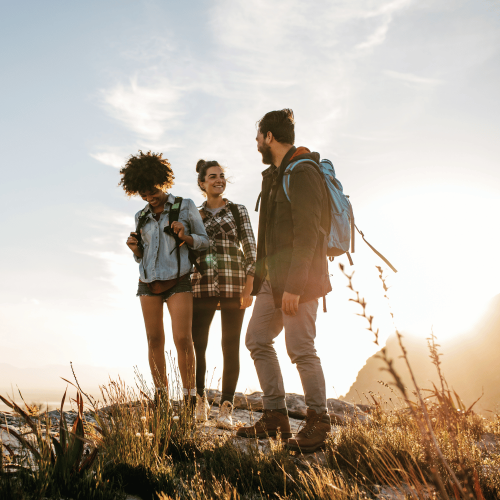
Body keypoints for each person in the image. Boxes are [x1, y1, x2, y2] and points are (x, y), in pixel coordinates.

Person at [236, 109, 333, 453]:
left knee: (301, 349)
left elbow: (308, 233)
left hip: (301, 280)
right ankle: (275, 415)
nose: (256, 142)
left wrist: (294, 285)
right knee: (258, 339)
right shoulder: (273, 175)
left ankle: (318, 421)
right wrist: (255, 278)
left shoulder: (303, 172)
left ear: (269, 137)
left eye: (258, 136)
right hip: (271, 281)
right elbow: (266, 236)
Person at [121, 150, 209, 408]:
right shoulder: (141, 216)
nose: (149, 198)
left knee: (183, 339)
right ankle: (161, 398)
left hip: (178, 279)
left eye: (153, 192)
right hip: (147, 282)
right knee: (154, 340)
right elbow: (142, 256)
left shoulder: (185, 206)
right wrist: (135, 249)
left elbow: (204, 242)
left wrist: (186, 236)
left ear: (163, 181)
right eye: (143, 194)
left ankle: (190, 398)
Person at [191, 159, 257, 429]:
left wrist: (249, 285)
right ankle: (200, 401)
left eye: (221, 176)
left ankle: (226, 409)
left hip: (234, 284)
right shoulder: (193, 214)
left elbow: (251, 248)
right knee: (199, 346)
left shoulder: (238, 210)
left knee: (230, 346)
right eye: (212, 176)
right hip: (202, 285)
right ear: (202, 183)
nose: (218, 180)